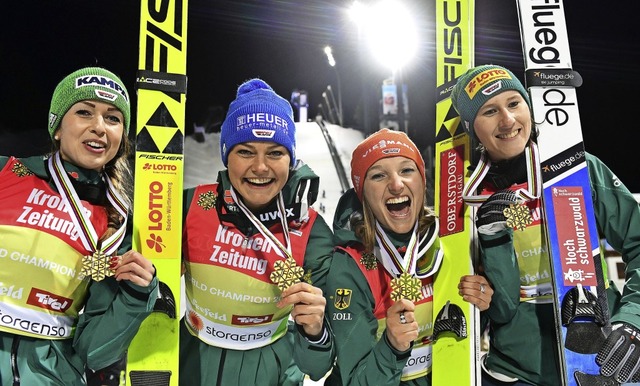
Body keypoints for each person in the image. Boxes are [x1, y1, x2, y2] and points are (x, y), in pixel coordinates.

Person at [450, 64, 640, 385]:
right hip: (516, 370)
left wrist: (633, 319)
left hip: (599, 355)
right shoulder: (468, 200)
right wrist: (478, 300)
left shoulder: (577, 169)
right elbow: (466, 296)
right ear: (472, 129)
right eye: (490, 111)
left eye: (514, 103)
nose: (508, 120)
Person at [0, 67, 158, 385]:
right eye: (84, 112)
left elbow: (94, 351)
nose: (99, 127)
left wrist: (135, 296)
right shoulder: (6, 172)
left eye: (113, 118)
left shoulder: (117, 224)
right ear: (57, 128)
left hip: (50, 376)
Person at [179, 78, 335, 385]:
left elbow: (319, 368)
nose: (261, 167)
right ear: (226, 155)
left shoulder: (311, 230)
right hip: (193, 366)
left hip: (273, 372)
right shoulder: (191, 205)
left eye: (275, 153)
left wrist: (315, 330)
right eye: (246, 152)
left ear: (291, 159)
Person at [324, 128, 493, 385]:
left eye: (406, 170)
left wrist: (482, 305)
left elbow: (468, 333)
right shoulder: (349, 266)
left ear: (422, 181)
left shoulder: (450, 239)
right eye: (379, 175)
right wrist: (392, 346)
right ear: (363, 194)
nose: (396, 184)